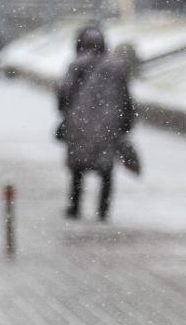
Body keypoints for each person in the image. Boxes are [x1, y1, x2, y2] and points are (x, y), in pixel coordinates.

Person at [56, 26, 136, 221]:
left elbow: (64, 94)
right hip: (109, 124)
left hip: (79, 124)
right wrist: (126, 123)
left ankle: (75, 208)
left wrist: (67, 113)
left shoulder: (76, 66)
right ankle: (103, 210)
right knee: (106, 169)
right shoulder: (117, 67)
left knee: (77, 168)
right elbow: (126, 99)